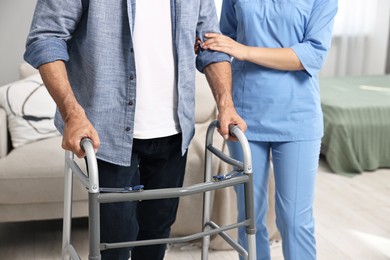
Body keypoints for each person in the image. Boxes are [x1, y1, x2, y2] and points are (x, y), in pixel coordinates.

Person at [24, 1, 246, 259]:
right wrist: (72, 113)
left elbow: (211, 43)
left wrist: (226, 105)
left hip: (174, 131)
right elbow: (46, 38)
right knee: (116, 240)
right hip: (106, 132)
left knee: (157, 232)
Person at [201, 0, 338, 259]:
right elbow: (223, 41)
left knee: (295, 220)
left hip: (298, 116)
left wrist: (244, 51)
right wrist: (209, 46)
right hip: (244, 116)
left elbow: (312, 54)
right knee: (249, 216)